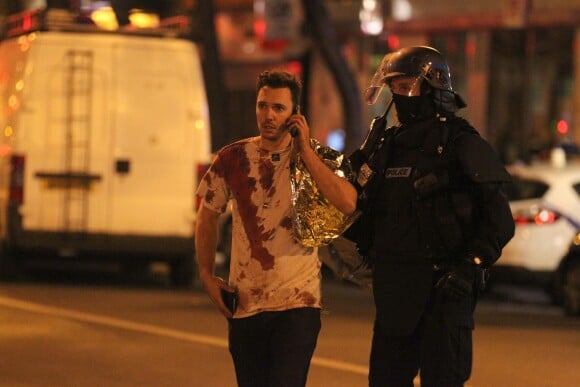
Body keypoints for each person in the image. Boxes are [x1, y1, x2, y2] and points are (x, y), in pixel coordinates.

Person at [346, 46, 515, 386]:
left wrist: (471, 267)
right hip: (395, 294)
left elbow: (499, 219)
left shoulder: (460, 143)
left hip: (444, 292)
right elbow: (357, 202)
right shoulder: (386, 146)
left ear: (433, 87)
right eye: (396, 87)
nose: (401, 95)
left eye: (408, 86)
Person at [194, 69, 357, 387]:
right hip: (246, 304)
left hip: (298, 304)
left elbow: (348, 202)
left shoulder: (313, 158)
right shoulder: (233, 157)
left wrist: (306, 152)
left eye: (279, 108)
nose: (268, 115)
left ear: (295, 115)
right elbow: (208, 214)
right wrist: (205, 274)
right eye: (262, 105)